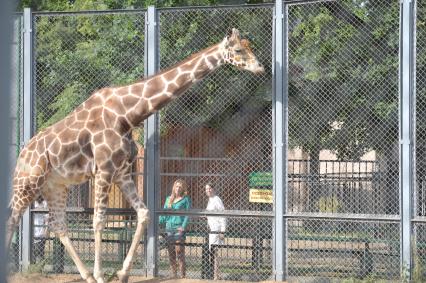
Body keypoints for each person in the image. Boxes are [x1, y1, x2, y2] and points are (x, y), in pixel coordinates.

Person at [159, 179, 191, 278]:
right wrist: (158, 222)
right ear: (174, 187)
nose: (178, 188)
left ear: (183, 188)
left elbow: (188, 214)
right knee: (171, 252)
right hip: (169, 228)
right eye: (177, 186)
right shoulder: (169, 199)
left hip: (179, 228)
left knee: (179, 251)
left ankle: (183, 276)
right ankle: (173, 275)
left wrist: (183, 226)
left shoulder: (186, 199)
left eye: (180, 187)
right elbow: (164, 213)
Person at [205, 182, 226, 280]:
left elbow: (223, 216)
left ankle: (216, 275)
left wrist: (222, 231)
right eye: (206, 189)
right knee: (212, 252)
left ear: (213, 189)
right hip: (211, 229)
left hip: (216, 229)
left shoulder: (217, 199)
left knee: (214, 252)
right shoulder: (210, 200)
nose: (208, 190)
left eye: (210, 188)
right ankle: (216, 274)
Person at [33, 197, 48, 261]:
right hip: (32, 232)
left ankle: (40, 267)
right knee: (32, 253)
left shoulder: (45, 203)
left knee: (40, 252)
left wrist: (45, 231)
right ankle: (32, 267)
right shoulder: (31, 203)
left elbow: (47, 219)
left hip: (41, 232)